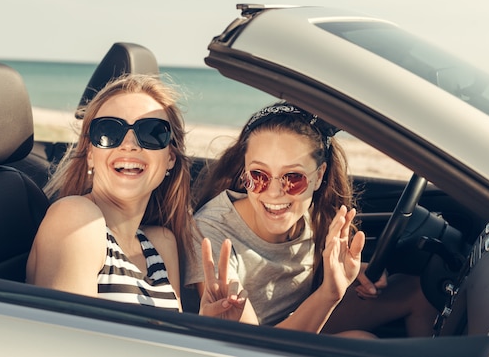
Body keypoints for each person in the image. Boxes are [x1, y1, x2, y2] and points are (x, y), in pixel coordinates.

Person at [185, 101, 437, 336]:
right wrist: (330, 293)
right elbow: (251, 346)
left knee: (422, 290)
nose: (274, 192)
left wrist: (349, 273)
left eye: (293, 177)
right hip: (257, 344)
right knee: (362, 341)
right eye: (259, 175)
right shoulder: (211, 232)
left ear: (319, 176)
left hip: (299, 319)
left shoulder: (317, 215)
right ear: (244, 171)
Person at [26, 73, 246, 317]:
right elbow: (67, 344)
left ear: (170, 158)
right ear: (90, 154)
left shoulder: (162, 244)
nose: (129, 144)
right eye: (108, 131)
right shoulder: (75, 219)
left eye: (152, 132)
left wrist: (206, 328)